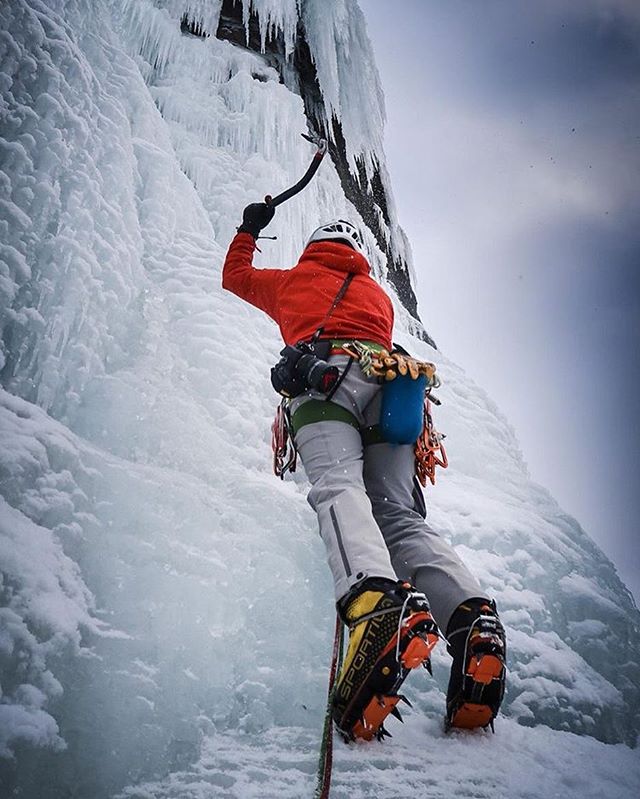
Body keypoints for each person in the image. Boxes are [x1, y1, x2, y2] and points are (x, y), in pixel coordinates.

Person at [222, 202, 506, 740]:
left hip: (324, 382)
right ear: (356, 252)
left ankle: (377, 608)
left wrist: (249, 229)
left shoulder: (293, 280)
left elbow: (234, 277)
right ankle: (471, 618)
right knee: (398, 513)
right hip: (393, 392)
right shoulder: (377, 295)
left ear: (314, 247)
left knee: (337, 486)